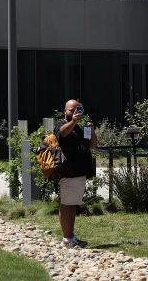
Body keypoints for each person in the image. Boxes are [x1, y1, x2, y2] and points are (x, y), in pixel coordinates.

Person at [55, 98, 97, 248]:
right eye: (71, 110)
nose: (74, 112)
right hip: (69, 173)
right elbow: (62, 133)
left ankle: (71, 237)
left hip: (79, 173)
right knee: (67, 205)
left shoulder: (80, 128)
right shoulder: (63, 125)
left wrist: (91, 130)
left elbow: (92, 145)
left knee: (72, 205)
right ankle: (67, 238)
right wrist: (72, 121)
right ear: (65, 111)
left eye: (78, 109)